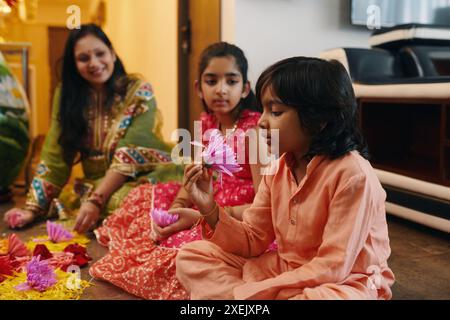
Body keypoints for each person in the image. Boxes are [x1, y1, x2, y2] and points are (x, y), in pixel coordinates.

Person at [176, 56, 395, 300]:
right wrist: (208, 206)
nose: (261, 121)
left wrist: (249, 291)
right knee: (192, 256)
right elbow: (253, 238)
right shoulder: (277, 168)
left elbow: (334, 266)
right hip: (286, 268)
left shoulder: (353, 175)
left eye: (276, 111)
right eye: (263, 110)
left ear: (318, 120)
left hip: (346, 281)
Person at [89, 42, 264, 299]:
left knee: (186, 249)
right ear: (199, 88)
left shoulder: (255, 131)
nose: (221, 89)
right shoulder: (205, 123)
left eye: (231, 81)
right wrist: (178, 205)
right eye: (211, 80)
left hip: (235, 214)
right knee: (143, 205)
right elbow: (192, 177)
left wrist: (210, 214)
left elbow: (264, 204)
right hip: (204, 200)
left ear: (245, 88)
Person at [3, 24, 172, 233]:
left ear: (112, 53)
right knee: (102, 204)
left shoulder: (138, 92)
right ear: (74, 64)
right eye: (83, 58)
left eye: (100, 54)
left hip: (140, 179)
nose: (94, 63)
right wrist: (33, 208)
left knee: (133, 203)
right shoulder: (67, 96)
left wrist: (96, 200)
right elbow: (55, 156)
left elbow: (130, 154)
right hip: (93, 186)